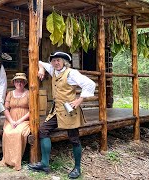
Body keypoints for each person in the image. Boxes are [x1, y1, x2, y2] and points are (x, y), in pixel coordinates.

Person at [28, 51, 96, 179]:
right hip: (57, 110)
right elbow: (39, 61)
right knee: (43, 130)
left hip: (69, 110)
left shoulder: (71, 73)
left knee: (74, 138)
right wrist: (41, 69)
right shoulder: (53, 70)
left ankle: (77, 168)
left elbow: (90, 84)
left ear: (64, 62)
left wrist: (79, 100)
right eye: (53, 61)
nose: (56, 63)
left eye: (58, 60)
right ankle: (44, 164)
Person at [0, 73, 30, 171]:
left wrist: (20, 121)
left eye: (21, 81)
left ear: (24, 83)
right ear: (14, 82)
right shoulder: (10, 94)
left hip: (24, 119)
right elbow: (6, 109)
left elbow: (32, 110)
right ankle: (7, 160)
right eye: (17, 81)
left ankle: (16, 161)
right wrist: (11, 121)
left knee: (17, 133)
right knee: (7, 133)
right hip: (11, 119)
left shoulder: (29, 93)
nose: (19, 83)